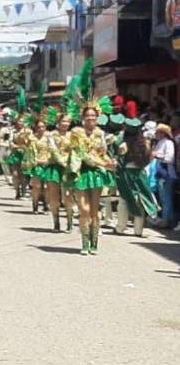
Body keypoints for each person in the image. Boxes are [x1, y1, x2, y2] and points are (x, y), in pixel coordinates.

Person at [69, 104, 116, 255]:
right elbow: (81, 154)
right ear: (83, 118)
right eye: (88, 116)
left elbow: (102, 153)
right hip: (81, 171)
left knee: (95, 210)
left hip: (96, 174)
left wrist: (110, 162)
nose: (91, 118)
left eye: (93, 116)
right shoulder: (76, 132)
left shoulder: (100, 133)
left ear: (97, 118)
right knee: (84, 209)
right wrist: (103, 163)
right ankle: (84, 242)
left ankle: (94, 242)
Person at [115, 112, 157, 236]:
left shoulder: (123, 145)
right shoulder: (145, 144)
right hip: (140, 174)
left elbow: (120, 161)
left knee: (124, 199)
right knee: (141, 201)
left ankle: (121, 227)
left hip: (127, 174)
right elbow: (148, 160)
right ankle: (138, 230)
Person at [47, 113, 75, 233]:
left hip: (69, 167)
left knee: (68, 196)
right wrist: (62, 162)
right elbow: (53, 150)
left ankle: (70, 222)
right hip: (55, 167)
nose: (65, 124)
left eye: (68, 121)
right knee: (54, 196)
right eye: (63, 121)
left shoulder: (73, 135)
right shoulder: (52, 135)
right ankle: (56, 222)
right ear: (58, 122)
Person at [152, 123, 176, 228]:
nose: (156, 133)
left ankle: (167, 221)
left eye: (157, 132)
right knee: (163, 198)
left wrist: (157, 155)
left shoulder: (168, 143)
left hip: (167, 174)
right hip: (160, 173)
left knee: (166, 199)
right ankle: (166, 220)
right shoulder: (159, 143)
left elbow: (169, 158)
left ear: (163, 133)